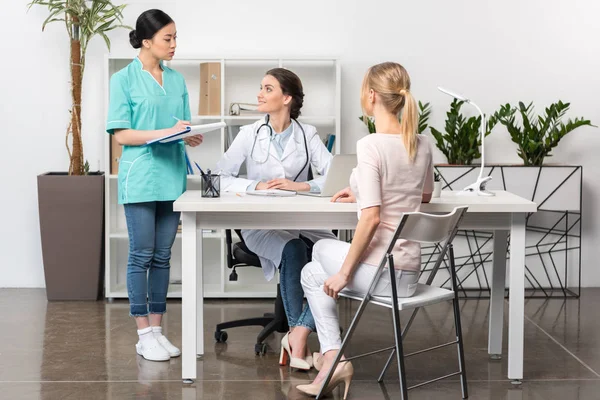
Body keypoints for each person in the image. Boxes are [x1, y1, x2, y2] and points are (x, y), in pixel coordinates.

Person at [297, 62, 434, 398]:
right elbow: (425, 195)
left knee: (316, 257)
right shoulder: (421, 143)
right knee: (314, 273)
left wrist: (344, 274)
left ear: (371, 95)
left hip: (383, 275)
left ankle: (334, 359)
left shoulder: (371, 145)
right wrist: (360, 191)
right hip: (410, 274)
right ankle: (333, 361)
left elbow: (371, 219)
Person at [215, 68, 336, 370]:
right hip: (261, 225)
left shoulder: (307, 135)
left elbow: (336, 176)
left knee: (340, 262)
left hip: (302, 221)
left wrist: (302, 185)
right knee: (293, 249)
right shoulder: (249, 134)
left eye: (267, 89)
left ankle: (295, 334)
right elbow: (218, 177)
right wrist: (252, 185)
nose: (259, 94)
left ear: (287, 98)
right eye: (261, 87)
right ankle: (300, 336)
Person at [105, 9, 203, 362]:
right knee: (141, 255)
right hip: (141, 176)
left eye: (176, 37)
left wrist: (187, 136)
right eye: (168, 38)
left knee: (164, 256)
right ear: (147, 41)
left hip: (171, 175)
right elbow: (122, 135)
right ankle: (142, 332)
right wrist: (166, 133)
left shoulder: (176, 80)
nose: (175, 44)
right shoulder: (123, 80)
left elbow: (181, 125)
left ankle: (158, 331)